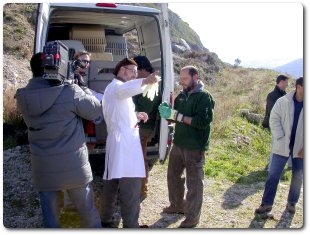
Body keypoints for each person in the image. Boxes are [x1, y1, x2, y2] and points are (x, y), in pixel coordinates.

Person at [15, 52, 103, 228]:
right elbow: (95, 110)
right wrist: (80, 85)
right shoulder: (70, 91)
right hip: (74, 167)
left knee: (51, 217)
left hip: (44, 167)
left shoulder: (22, 97)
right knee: (87, 212)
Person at [101, 58, 159, 228]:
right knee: (131, 189)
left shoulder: (113, 88)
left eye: (136, 71)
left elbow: (120, 111)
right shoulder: (117, 87)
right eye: (132, 71)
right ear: (122, 70)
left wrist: (136, 115)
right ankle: (131, 226)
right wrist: (145, 81)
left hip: (118, 142)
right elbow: (124, 91)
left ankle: (106, 220)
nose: (134, 74)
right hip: (125, 145)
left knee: (111, 184)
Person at [158, 65, 215, 228]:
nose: (181, 82)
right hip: (179, 143)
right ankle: (177, 205)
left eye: (185, 79)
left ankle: (192, 218)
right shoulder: (181, 96)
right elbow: (175, 117)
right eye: (180, 78)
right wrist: (168, 114)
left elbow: (202, 122)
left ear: (195, 77)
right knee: (173, 176)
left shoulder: (204, 97)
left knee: (194, 184)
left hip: (195, 146)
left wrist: (177, 116)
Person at [255, 77, 303, 215]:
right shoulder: (283, 101)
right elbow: (273, 119)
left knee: (298, 176)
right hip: (282, 146)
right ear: (299, 87)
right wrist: (280, 137)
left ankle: (292, 203)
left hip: (300, 148)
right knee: (273, 175)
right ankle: (267, 204)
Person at [132, 55, 161, 202]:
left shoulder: (151, 84)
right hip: (139, 125)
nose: (135, 73)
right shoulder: (145, 82)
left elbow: (145, 109)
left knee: (139, 159)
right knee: (137, 158)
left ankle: (142, 190)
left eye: (137, 70)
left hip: (143, 127)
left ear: (143, 69)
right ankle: (137, 188)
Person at [262, 75, 291, 170]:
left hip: (285, 125)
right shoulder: (272, 95)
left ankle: (287, 165)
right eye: (286, 82)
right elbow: (270, 112)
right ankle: (271, 168)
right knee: (276, 145)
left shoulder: (285, 95)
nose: (287, 84)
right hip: (276, 125)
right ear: (281, 82)